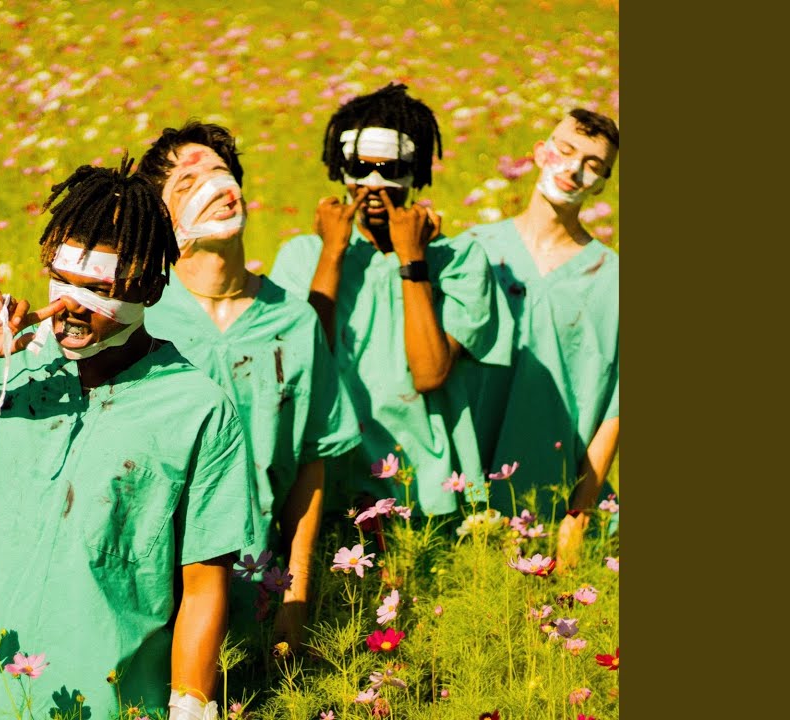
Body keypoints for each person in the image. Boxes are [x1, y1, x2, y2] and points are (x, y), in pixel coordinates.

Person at [0, 159, 256, 720]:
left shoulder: (198, 410)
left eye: (97, 290)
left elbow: (204, 587)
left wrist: (191, 708)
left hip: (99, 703)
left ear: (150, 288)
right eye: (61, 281)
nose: (69, 306)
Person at [138, 120, 360, 647]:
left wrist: (296, 594)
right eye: (188, 183)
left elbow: (310, 463)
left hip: (256, 591)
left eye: (222, 173)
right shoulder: (141, 319)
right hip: (151, 593)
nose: (215, 187)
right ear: (162, 218)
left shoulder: (294, 322)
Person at [268, 83, 512, 518]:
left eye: (391, 169)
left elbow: (430, 372)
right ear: (339, 168)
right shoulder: (302, 257)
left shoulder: (457, 261)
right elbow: (307, 362)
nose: (374, 186)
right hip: (326, 481)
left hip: (424, 488)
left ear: (415, 173)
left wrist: (412, 260)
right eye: (360, 168)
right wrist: (332, 254)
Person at [456, 109, 620, 571]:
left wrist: (578, 516)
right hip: (460, 501)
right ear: (539, 152)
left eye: (592, 164)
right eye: (565, 150)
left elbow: (615, 410)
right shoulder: (473, 249)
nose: (573, 169)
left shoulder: (613, 279)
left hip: (550, 508)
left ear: (602, 184)